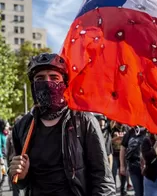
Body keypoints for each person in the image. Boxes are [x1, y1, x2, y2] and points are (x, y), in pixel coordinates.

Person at [8, 53, 116, 196]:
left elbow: (103, 181)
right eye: (40, 78)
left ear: (64, 84)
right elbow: (20, 182)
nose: (47, 82)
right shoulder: (22, 126)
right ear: (33, 86)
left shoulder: (84, 121)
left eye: (54, 78)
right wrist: (19, 176)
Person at [120, 126, 147, 196]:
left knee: (147, 192)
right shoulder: (129, 133)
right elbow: (123, 149)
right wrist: (122, 166)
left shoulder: (149, 131)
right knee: (138, 192)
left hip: (147, 167)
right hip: (133, 166)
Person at [7, 115, 23, 196]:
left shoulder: (27, 136)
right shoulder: (10, 136)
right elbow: (8, 152)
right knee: (15, 190)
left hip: (23, 166)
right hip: (13, 164)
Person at [110, 121, 128, 196]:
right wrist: (118, 138)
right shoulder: (112, 129)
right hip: (114, 154)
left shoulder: (126, 129)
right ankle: (113, 190)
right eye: (119, 123)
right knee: (113, 173)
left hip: (124, 154)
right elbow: (109, 140)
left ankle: (123, 191)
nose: (121, 124)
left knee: (123, 173)